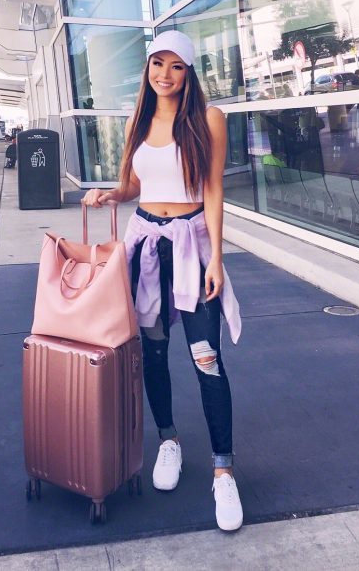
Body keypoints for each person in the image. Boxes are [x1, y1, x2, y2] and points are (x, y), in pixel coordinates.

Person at [83, 31, 243, 532]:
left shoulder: (208, 119)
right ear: (148, 68)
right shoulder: (137, 120)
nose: (165, 75)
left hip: (192, 245)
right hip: (143, 245)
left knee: (206, 358)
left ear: (189, 72)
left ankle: (223, 468)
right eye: (158, 64)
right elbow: (137, 184)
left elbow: (213, 188)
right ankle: (168, 441)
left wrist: (217, 257)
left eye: (176, 66)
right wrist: (114, 194)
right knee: (152, 351)